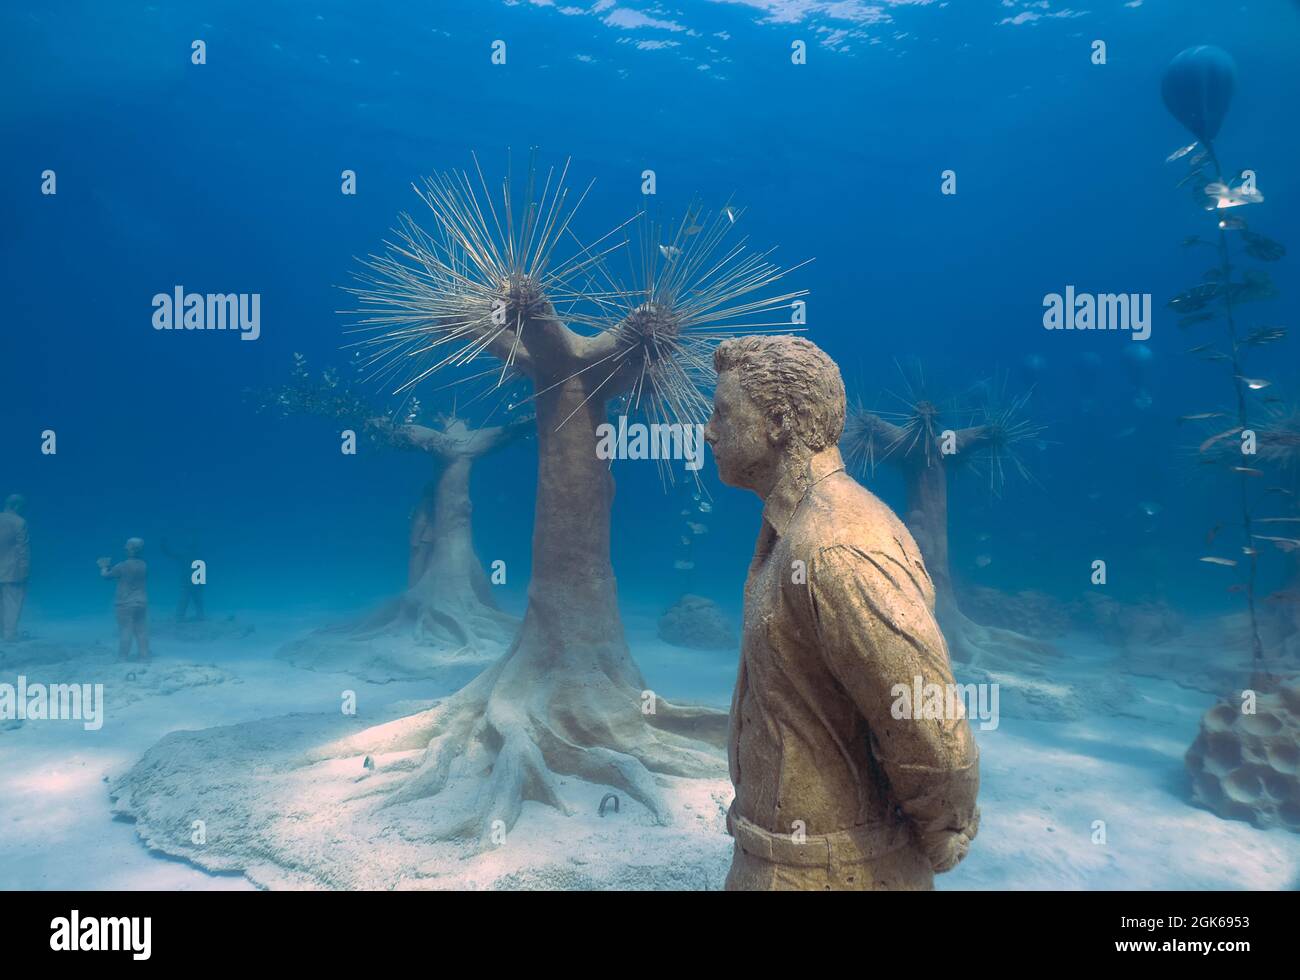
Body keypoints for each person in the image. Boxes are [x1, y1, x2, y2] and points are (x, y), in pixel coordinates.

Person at [704, 336, 980, 891]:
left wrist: (937, 837)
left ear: (778, 422)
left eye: (722, 412)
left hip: (832, 872)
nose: (708, 431)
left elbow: (930, 729)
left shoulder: (834, 546)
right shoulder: (793, 529)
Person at [98, 537, 151, 662]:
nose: (124, 547)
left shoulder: (122, 566)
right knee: (141, 630)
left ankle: (123, 657)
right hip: (141, 602)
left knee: (125, 630)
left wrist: (104, 566)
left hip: (125, 603)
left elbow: (106, 576)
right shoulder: (144, 565)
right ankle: (144, 656)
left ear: (131, 549)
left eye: (127, 546)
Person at [0, 494, 30, 643]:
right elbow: (22, 549)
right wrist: (25, 571)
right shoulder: (20, 522)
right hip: (12, 570)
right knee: (12, 602)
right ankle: (9, 635)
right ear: (17, 506)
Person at [161, 533, 205, 622]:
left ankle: (180, 617)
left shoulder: (184, 554)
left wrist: (163, 545)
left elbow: (170, 553)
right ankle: (200, 616)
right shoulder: (198, 556)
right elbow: (202, 570)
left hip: (187, 582)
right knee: (196, 600)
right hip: (195, 582)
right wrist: (201, 583)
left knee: (185, 600)